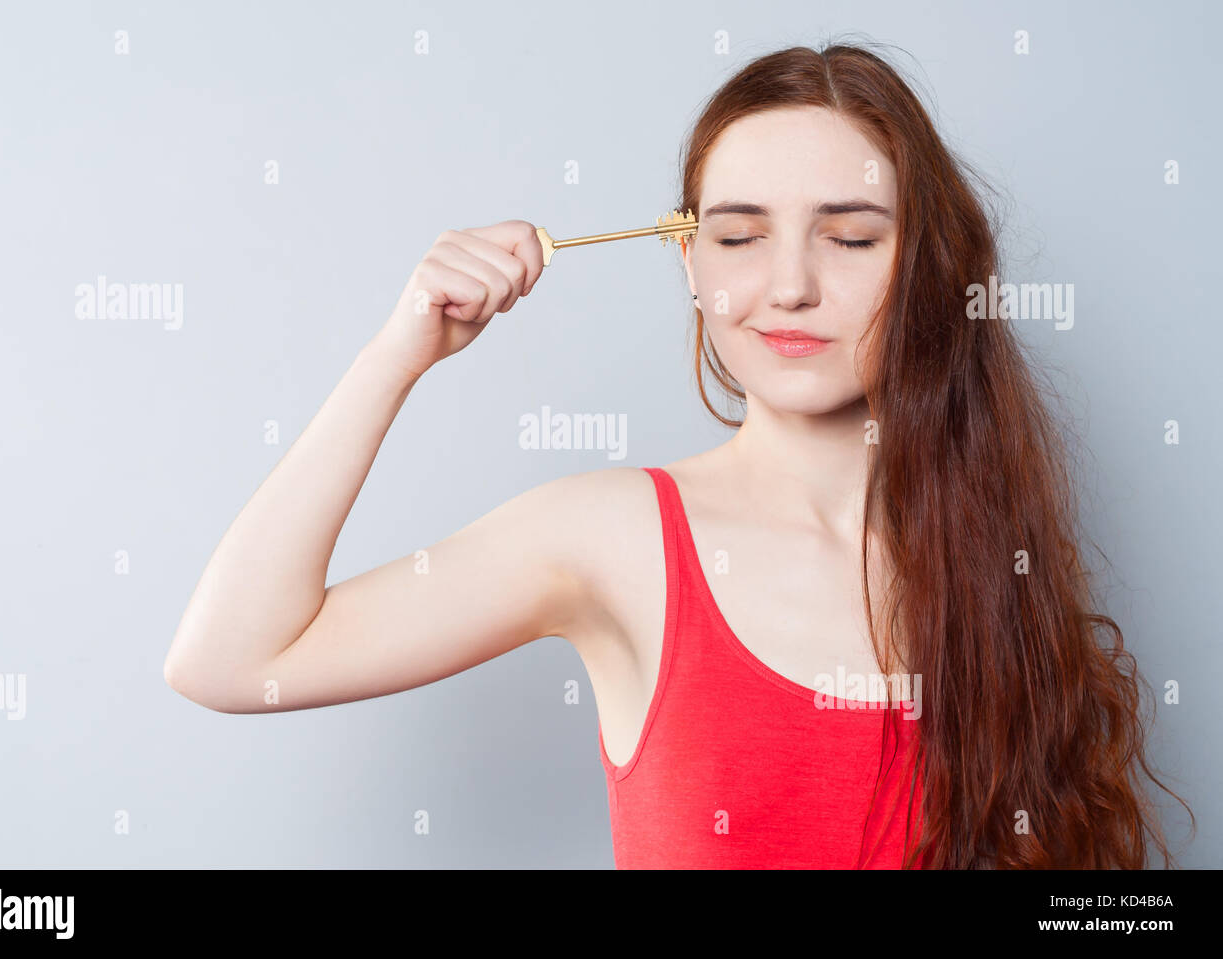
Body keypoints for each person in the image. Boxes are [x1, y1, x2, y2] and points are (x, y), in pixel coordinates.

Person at [164, 43, 1192, 869]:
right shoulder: (606, 538)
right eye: (739, 236)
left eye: (850, 237)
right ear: (691, 259)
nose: (787, 286)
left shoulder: (991, 550)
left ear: (927, 264)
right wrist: (399, 352)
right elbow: (232, 659)